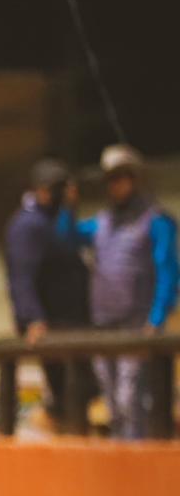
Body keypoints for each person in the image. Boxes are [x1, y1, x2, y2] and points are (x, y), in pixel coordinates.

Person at [67, 145, 177, 440]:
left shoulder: (155, 221)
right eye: (110, 180)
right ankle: (120, 457)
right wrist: (68, 206)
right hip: (104, 324)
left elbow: (168, 272)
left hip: (136, 324)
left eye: (121, 178)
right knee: (113, 402)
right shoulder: (101, 223)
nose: (115, 186)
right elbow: (69, 236)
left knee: (131, 399)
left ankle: (136, 457)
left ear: (134, 179)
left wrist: (156, 318)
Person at [3, 157, 92, 429]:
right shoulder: (28, 225)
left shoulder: (52, 221)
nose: (68, 194)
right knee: (67, 392)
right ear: (43, 190)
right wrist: (33, 319)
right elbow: (22, 276)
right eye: (61, 188)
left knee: (82, 391)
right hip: (54, 325)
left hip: (71, 322)